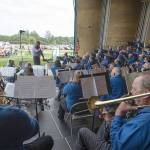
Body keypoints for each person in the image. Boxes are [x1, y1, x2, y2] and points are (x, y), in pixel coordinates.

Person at [111, 73, 150, 150]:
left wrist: (118, 113)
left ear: (146, 94)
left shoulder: (144, 121)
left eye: (134, 89)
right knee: (108, 123)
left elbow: (117, 145)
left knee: (83, 132)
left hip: (116, 144)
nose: (131, 92)